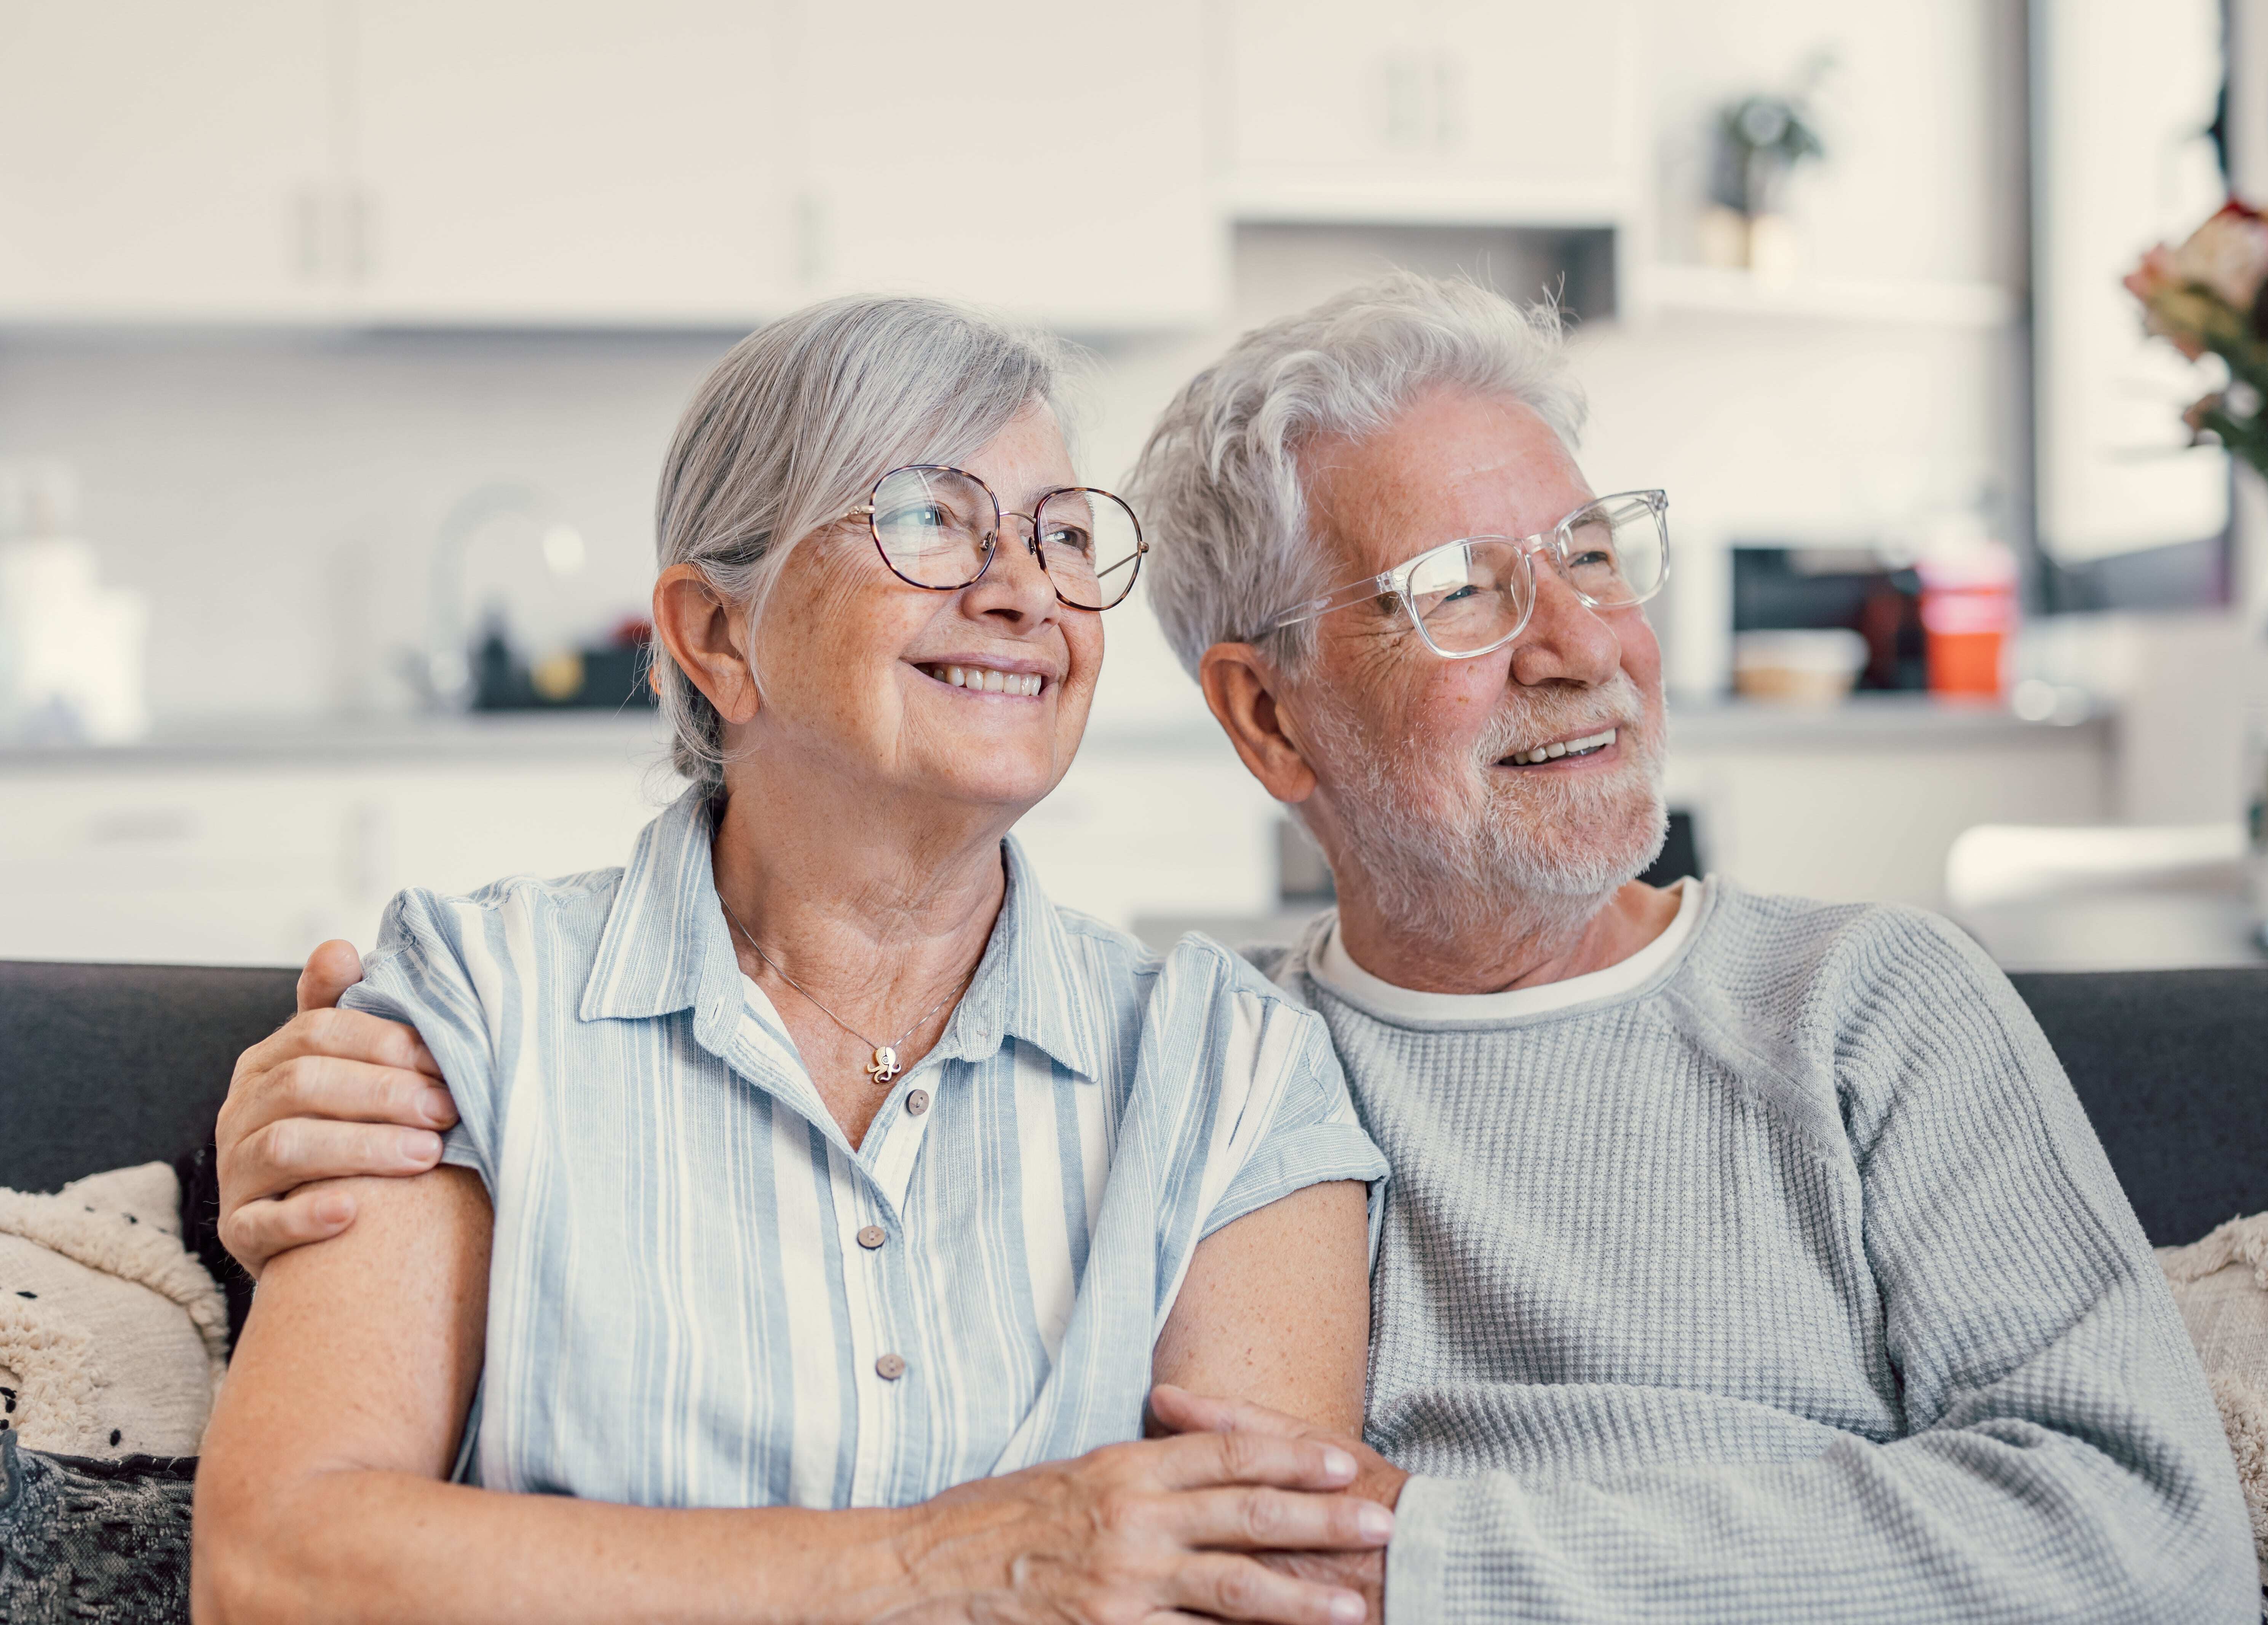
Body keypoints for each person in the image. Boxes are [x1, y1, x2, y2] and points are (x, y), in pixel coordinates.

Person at [213, 276, 2258, 1622]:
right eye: (1458, 589)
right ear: (1266, 717)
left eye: (1593, 559)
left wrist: (1425, 1552)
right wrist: (307, 1106)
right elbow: (288, 1541)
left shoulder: (1847, 1012)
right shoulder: (1229, 1053)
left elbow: (2144, 1538)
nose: (1580, 647)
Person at [191, 295, 1394, 1625]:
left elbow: (1266, 1591)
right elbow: (279, 1565)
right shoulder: (478, 1005)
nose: (1021, 591)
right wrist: (950, 1566)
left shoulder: (1232, 1071)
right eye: (929, 517)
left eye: (1060, 534)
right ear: (714, 635)